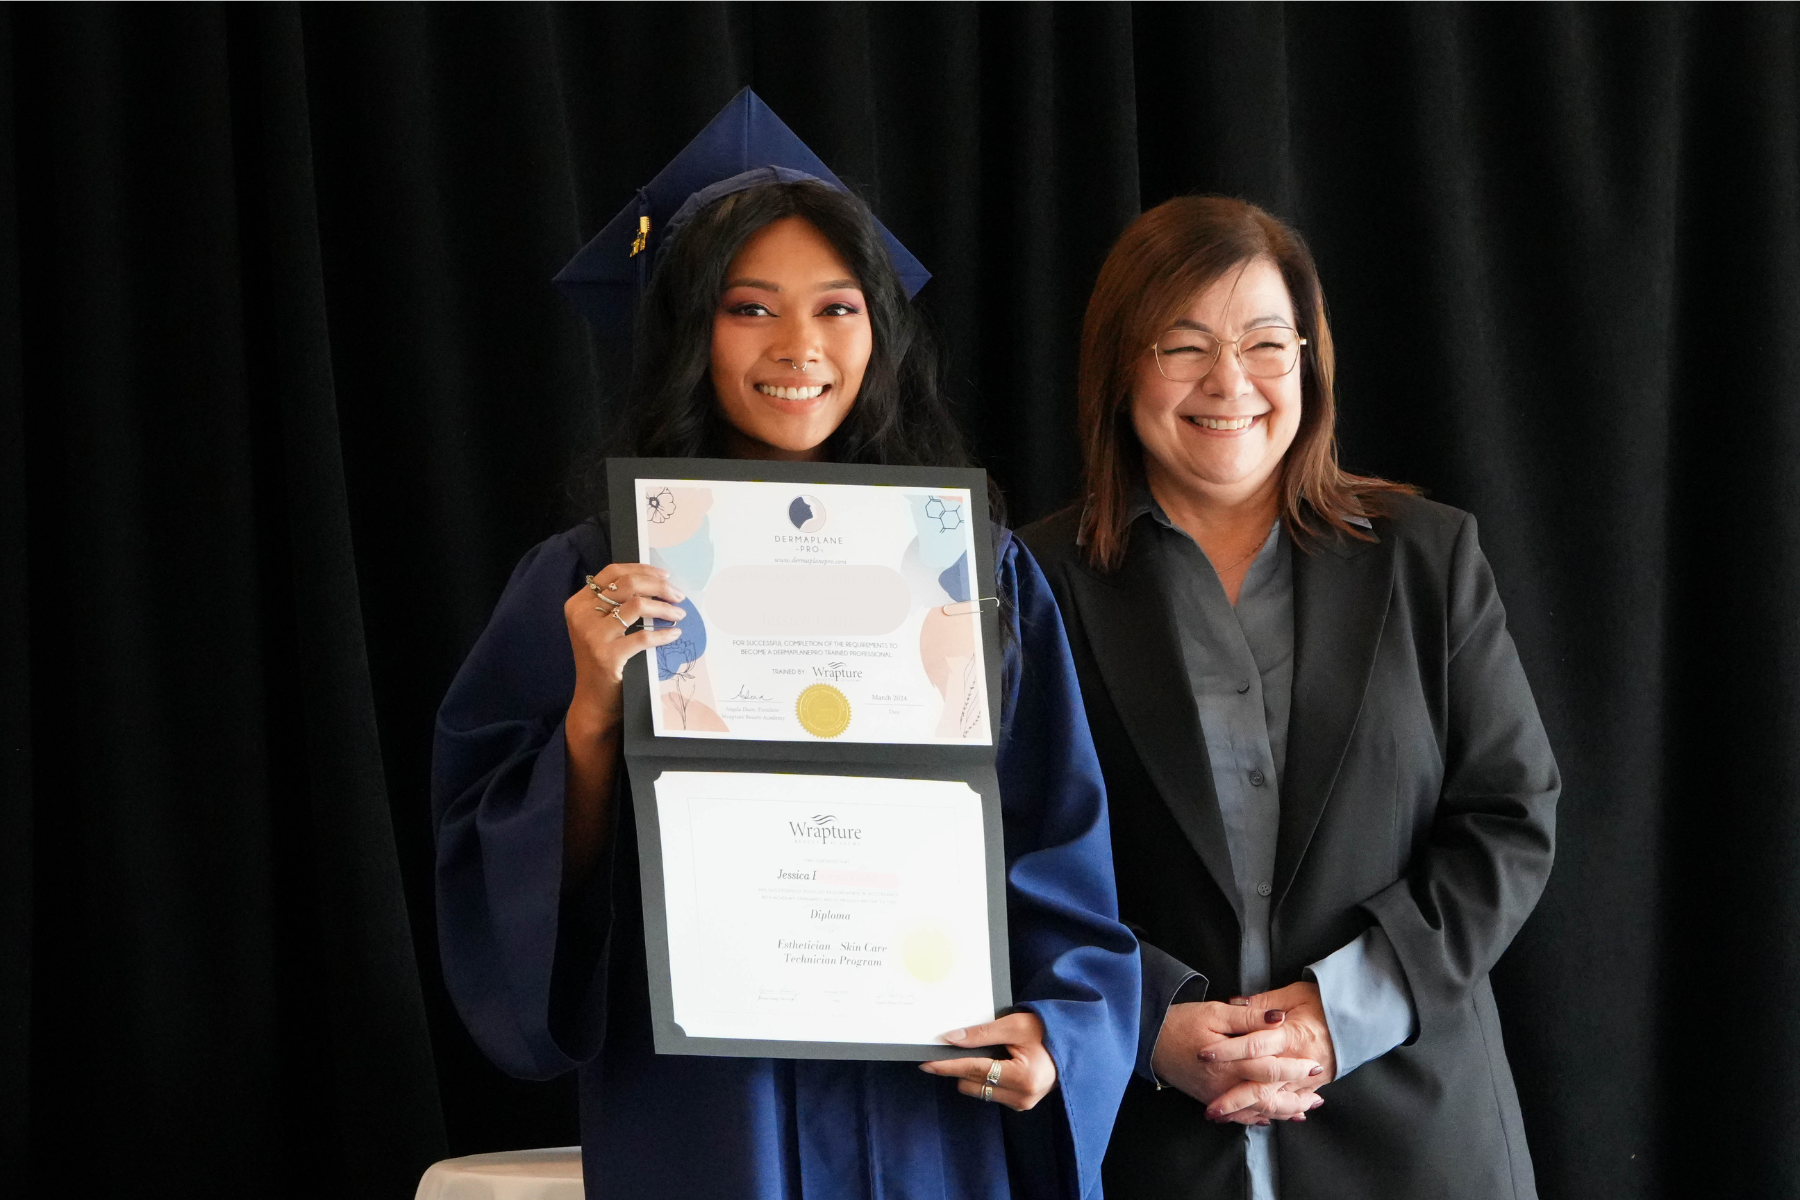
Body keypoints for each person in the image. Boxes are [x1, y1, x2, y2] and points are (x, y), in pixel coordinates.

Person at [432, 92, 1152, 1200]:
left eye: (839, 307)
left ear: (880, 328)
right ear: (685, 327)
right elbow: (503, 892)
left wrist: (1059, 1034)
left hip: (930, 1101)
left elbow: (1059, 834)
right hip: (714, 1115)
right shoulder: (589, 582)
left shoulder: (972, 571)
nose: (801, 349)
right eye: (748, 308)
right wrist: (587, 717)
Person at [1019, 195, 1559, 1200]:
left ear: (1309, 360)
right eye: (1184, 345)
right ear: (1120, 367)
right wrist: (1141, 1022)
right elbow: (994, 853)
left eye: (1267, 341)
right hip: (1148, 1144)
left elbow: (1511, 820)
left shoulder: (1426, 558)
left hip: (1417, 1141)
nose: (1230, 381)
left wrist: (1336, 1012)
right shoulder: (1029, 582)